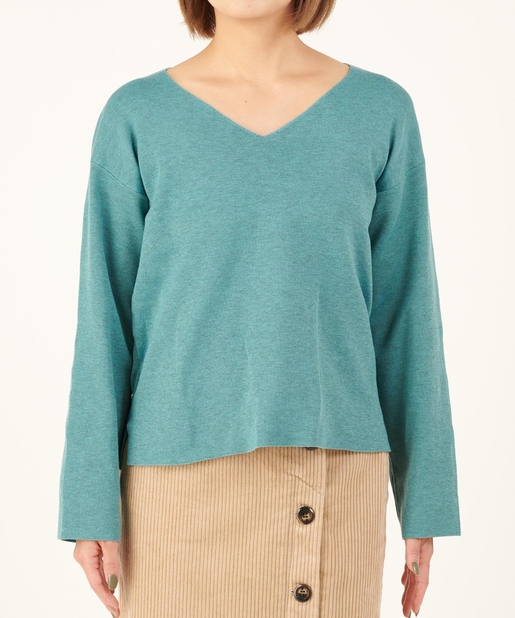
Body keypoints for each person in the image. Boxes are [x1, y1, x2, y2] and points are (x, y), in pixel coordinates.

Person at [57, 0, 462, 616]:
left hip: (331, 475)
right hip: (174, 491)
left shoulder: (379, 111)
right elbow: (103, 320)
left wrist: (424, 502)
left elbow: (408, 318)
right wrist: (90, 506)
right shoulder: (137, 115)